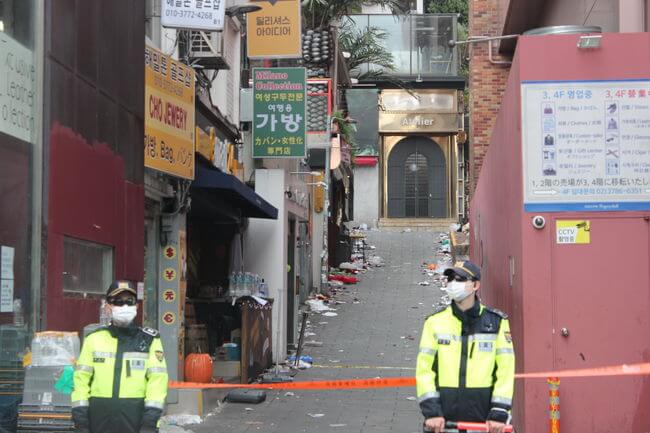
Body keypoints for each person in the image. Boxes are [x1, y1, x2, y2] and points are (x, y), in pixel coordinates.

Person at [416, 261, 515, 433]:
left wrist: (499, 412)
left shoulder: (496, 322)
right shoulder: (434, 322)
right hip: (443, 422)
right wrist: (431, 412)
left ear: (476, 285)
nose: (453, 283)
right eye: (451, 278)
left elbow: (505, 371)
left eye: (460, 279)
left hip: (485, 422)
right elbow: (424, 371)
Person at [71, 281, 168, 433]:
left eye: (129, 301)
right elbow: (81, 381)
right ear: (108, 307)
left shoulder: (150, 340)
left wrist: (150, 421)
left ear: (137, 306)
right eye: (118, 302)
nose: (124, 306)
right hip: (98, 419)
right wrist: (80, 420)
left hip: (136, 419)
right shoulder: (93, 339)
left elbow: (158, 382)